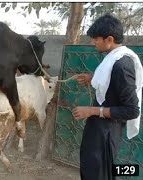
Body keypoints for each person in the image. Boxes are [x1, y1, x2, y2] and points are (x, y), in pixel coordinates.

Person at [72, 14, 143, 180]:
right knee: (91, 169)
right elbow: (111, 84)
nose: (93, 43)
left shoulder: (122, 64)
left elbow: (131, 110)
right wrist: (92, 79)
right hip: (99, 129)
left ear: (109, 39)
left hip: (106, 133)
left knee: (98, 174)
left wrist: (91, 110)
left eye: (96, 39)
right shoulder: (113, 58)